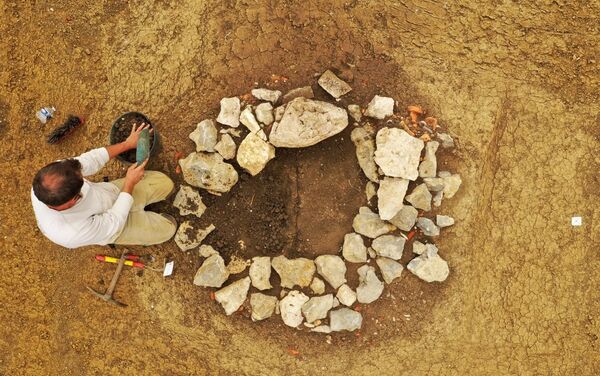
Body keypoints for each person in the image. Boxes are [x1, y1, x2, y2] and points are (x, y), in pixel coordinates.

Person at [31, 124, 177, 249]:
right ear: (72, 201)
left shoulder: (54, 174)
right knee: (168, 229)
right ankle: (156, 222)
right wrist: (129, 183)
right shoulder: (71, 233)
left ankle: (144, 202)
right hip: (115, 227)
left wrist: (127, 144)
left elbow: (91, 159)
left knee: (166, 183)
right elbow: (114, 220)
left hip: (110, 194)